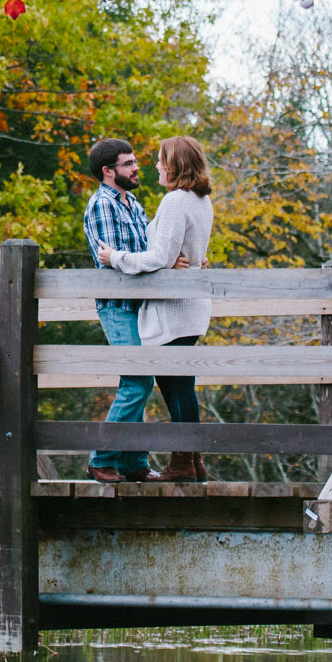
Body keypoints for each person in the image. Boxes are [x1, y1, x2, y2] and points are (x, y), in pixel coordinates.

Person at [93, 136, 215, 483]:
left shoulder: (176, 201)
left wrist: (114, 257)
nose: (156, 166)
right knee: (181, 385)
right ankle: (191, 461)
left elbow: (161, 257)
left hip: (175, 309)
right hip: (188, 306)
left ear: (175, 165)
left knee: (177, 387)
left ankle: (182, 462)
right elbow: (179, 251)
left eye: (162, 160)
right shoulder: (200, 200)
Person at [80, 136, 184, 484]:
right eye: (128, 163)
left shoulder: (134, 203)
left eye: (136, 161)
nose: (136, 167)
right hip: (119, 305)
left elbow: (147, 254)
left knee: (139, 378)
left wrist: (168, 261)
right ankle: (102, 457)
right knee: (138, 379)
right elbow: (116, 264)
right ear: (108, 171)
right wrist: (158, 263)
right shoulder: (101, 206)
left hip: (143, 305)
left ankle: (133, 462)